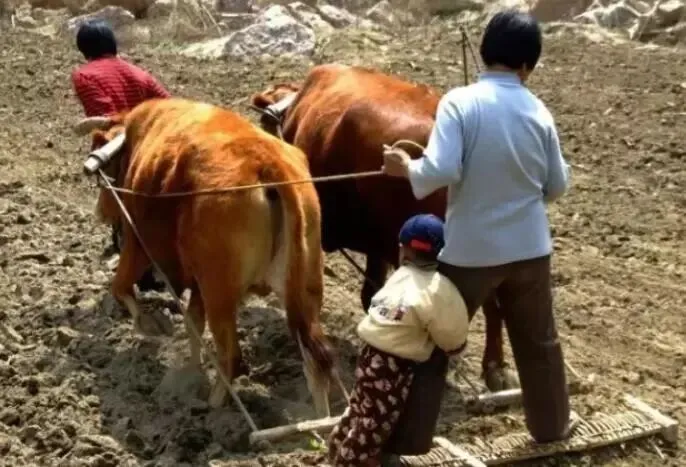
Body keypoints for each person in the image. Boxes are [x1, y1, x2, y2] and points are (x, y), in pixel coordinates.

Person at [381, 10, 575, 444]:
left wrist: (405, 167)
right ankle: (552, 429)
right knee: (539, 343)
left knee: (434, 341)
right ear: (528, 65)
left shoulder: (460, 102)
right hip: (531, 250)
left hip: (470, 253)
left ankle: (410, 439)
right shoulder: (538, 110)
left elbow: (442, 169)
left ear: (486, 52)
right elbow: (557, 185)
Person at [327, 214, 469, 467]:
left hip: (369, 353)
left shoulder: (399, 275)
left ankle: (338, 444)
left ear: (403, 250)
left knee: (361, 408)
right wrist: (455, 347)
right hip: (392, 365)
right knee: (373, 426)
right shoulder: (440, 289)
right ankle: (350, 461)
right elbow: (451, 332)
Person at [72, 19, 170, 292]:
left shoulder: (85, 75)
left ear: (83, 48)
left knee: (123, 212)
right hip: (153, 146)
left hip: (121, 151)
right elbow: (168, 104)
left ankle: (137, 268)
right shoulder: (138, 73)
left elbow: (106, 117)